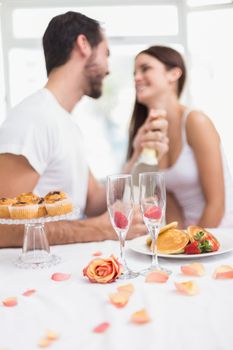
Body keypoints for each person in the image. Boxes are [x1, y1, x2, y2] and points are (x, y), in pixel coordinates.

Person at [0, 12, 168, 247]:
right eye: (106, 54)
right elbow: (1, 228)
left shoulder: (65, 122)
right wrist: (95, 228)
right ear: (84, 45)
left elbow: (92, 202)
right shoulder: (34, 118)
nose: (108, 69)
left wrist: (136, 154)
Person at [127, 45, 233, 228]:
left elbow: (217, 205)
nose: (136, 77)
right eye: (134, 72)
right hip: (187, 235)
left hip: (217, 235)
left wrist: (190, 249)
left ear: (174, 74)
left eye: (145, 69)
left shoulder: (195, 121)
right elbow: (137, 195)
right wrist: (176, 243)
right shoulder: (148, 133)